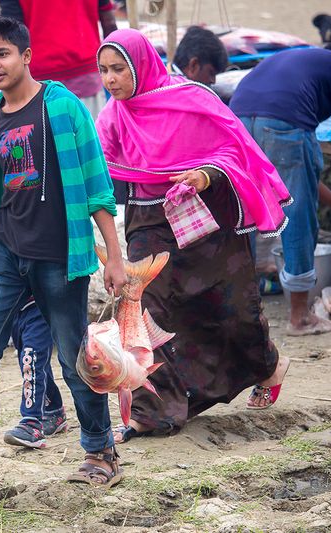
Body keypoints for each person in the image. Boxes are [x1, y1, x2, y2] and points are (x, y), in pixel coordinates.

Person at [0, 15, 127, 496]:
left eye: (2, 54)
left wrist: (115, 258)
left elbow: (97, 184)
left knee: (73, 357)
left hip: (59, 254)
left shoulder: (62, 107)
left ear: (25, 56)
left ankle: (100, 451)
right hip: (3, 251)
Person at [94, 29, 292, 443]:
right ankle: (151, 412)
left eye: (118, 69)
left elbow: (232, 150)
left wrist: (204, 175)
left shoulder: (191, 99)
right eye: (104, 71)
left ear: (141, 66)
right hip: (147, 221)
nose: (110, 79)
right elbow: (105, 172)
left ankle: (268, 365)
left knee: (229, 304)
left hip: (206, 216)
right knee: (146, 312)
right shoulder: (112, 115)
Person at [230, 42, 331, 336]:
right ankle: (300, 318)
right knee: (297, 217)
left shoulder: (300, 61)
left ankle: (242, 314)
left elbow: (297, 176)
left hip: (236, 119)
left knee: (244, 215)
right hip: (283, 122)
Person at [0, 0, 117, 118]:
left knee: (44, 135)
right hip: (85, 75)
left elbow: (10, 33)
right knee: (92, 133)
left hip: (38, 81)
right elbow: (109, 22)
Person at [2, 297, 68, 449]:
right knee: (31, 360)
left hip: (39, 303)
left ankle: (31, 423)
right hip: (14, 305)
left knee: (30, 360)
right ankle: (53, 409)